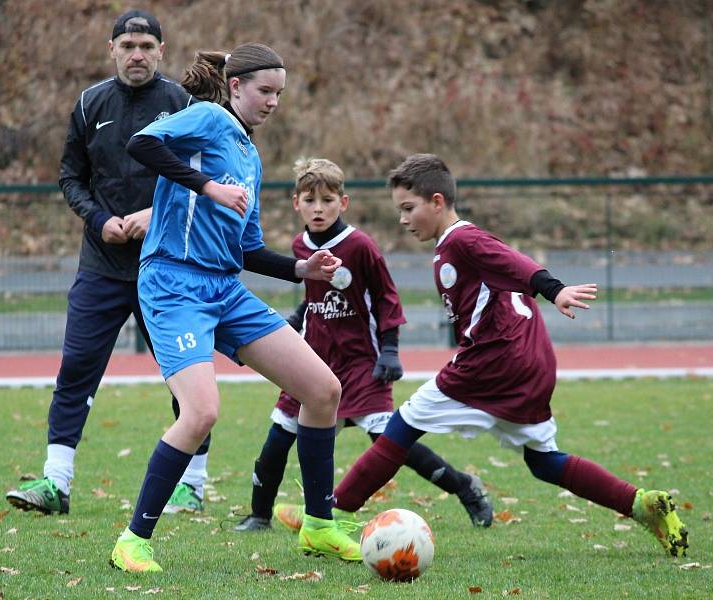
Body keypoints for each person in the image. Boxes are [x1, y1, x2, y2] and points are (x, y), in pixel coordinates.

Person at [277, 153, 690, 559]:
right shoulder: (453, 246)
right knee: (544, 462)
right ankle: (640, 504)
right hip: (530, 361)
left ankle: (326, 516)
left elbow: (515, 262)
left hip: (494, 362)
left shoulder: (463, 239)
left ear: (437, 202)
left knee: (400, 427)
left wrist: (554, 288)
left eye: (408, 208)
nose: (402, 220)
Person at [110, 42, 362, 573]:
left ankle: (318, 525)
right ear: (235, 87)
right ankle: (133, 541)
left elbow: (246, 250)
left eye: (279, 94)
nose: (272, 102)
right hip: (174, 285)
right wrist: (206, 187)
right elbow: (141, 144)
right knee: (200, 412)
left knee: (323, 391)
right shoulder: (205, 118)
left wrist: (302, 270)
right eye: (265, 91)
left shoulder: (249, 155)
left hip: (223, 289)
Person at [5, 9, 209, 517]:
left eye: (145, 45)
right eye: (127, 46)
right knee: (76, 368)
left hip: (167, 266)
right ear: (111, 50)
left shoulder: (181, 104)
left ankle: (194, 485)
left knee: (186, 376)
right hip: (101, 264)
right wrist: (99, 220)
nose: (136, 54)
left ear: (161, 51)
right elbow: (70, 177)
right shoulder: (89, 103)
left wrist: (150, 213)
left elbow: (202, 179)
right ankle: (56, 483)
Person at [232, 158, 493, 534]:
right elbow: (315, 296)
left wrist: (390, 349)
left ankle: (464, 487)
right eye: (309, 200)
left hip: (361, 364)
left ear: (344, 203)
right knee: (278, 437)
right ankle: (259, 515)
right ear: (296, 204)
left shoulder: (360, 246)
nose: (318, 208)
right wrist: (297, 320)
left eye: (326, 199)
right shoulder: (299, 246)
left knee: (390, 444)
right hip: (314, 360)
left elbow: (387, 298)